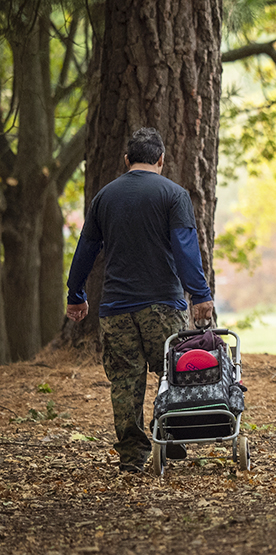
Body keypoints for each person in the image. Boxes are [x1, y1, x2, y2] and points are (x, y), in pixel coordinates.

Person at [64, 127, 214, 473]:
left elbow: (85, 250)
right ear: (161, 159)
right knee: (172, 374)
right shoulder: (174, 195)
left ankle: (131, 455)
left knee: (125, 380)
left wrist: (76, 295)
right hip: (163, 305)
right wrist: (200, 294)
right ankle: (171, 435)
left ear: (127, 159)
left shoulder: (104, 197)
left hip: (116, 308)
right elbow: (185, 250)